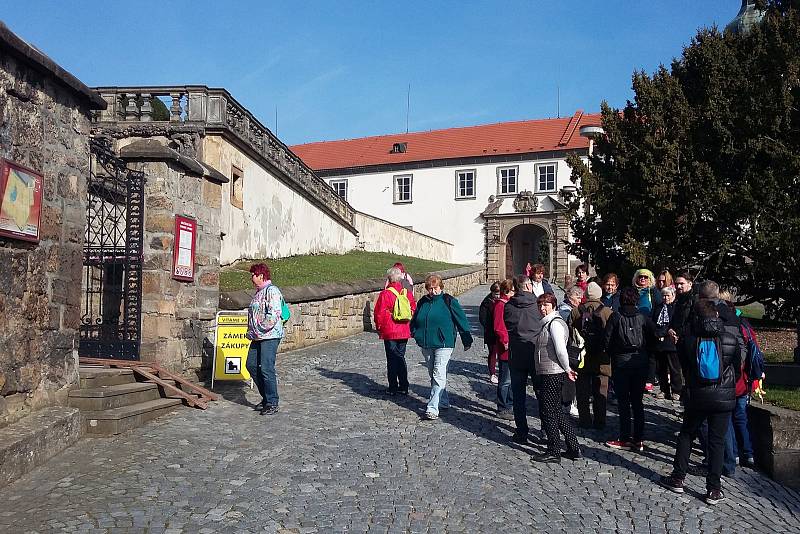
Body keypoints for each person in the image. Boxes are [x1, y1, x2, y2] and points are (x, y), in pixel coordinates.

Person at [660, 299, 741, 505]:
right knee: (717, 442)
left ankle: (678, 477)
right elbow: (737, 369)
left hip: (697, 395)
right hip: (723, 398)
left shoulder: (688, 340)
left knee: (687, 435)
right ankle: (714, 489)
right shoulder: (730, 339)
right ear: (716, 315)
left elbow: (684, 367)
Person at [411, 274, 473, 420]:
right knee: (434, 373)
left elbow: (461, 320)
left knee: (438, 373)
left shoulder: (449, 301)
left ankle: (432, 407)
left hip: (444, 343)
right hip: (426, 343)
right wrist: (414, 332)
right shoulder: (423, 302)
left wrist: (466, 339)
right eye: (430, 289)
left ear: (441, 287)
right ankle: (443, 401)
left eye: (435, 288)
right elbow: (415, 319)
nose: (433, 291)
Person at [530, 292, 581, 463]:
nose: (542, 308)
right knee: (557, 412)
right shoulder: (546, 324)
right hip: (549, 372)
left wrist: (567, 369)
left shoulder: (555, 324)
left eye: (546, 305)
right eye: (540, 305)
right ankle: (573, 447)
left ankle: (554, 450)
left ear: (553, 306)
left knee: (549, 412)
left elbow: (560, 350)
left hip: (553, 373)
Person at [604, 287, 656, 451]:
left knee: (623, 402)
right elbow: (653, 336)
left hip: (621, 362)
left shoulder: (616, 316)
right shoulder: (643, 317)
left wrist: (613, 353)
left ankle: (625, 437)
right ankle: (639, 438)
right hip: (640, 361)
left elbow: (607, 341)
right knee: (637, 402)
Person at [504, 275, 543, 440]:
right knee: (541, 394)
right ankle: (546, 430)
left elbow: (508, 326)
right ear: (528, 287)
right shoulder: (538, 305)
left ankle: (521, 430)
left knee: (518, 395)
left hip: (516, 354)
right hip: (536, 353)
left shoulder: (509, 307)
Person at [245, 263, 286, 415]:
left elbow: (274, 314)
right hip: (257, 336)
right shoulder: (258, 293)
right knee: (251, 365)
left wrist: (260, 329)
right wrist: (252, 331)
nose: (251, 277)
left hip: (269, 335)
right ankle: (266, 397)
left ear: (261, 276)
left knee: (267, 368)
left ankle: (272, 402)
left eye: (253, 274)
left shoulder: (272, 291)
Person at [572, 281, 613, 429]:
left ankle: (584, 420)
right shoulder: (607, 311)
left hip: (582, 358)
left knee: (582, 391)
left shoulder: (576, 311)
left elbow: (570, 335)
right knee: (601, 391)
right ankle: (600, 421)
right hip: (602, 358)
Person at [374, 266, 418, 395]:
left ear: (389, 279)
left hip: (390, 330)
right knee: (400, 356)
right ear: (400, 278)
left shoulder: (385, 294)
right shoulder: (406, 293)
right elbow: (413, 309)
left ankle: (393, 386)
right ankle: (404, 385)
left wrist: (379, 328)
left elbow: (379, 313)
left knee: (392, 358)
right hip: (404, 329)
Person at [652, 286, 682, 401]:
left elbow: (674, 324)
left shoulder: (675, 308)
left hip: (671, 342)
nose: (665, 298)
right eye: (663, 295)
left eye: (668, 295)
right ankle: (664, 389)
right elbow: (653, 321)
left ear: (673, 296)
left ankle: (676, 390)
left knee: (674, 368)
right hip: (659, 341)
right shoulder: (658, 307)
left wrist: (665, 332)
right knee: (661, 368)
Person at [492, 279, 515, 419]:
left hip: (513, 346)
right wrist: (505, 341)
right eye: (513, 291)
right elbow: (499, 326)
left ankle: (509, 405)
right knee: (505, 379)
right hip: (505, 347)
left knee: (511, 379)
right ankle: (503, 407)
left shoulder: (508, 304)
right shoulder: (501, 305)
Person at [479, 282, 501, 384]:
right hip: (491, 332)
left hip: (502, 331)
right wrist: (490, 327)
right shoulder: (486, 303)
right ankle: (492, 373)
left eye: (499, 293)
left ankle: (503, 371)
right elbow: (482, 318)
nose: (497, 296)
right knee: (492, 352)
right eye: (495, 293)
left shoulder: (504, 301)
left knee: (503, 353)